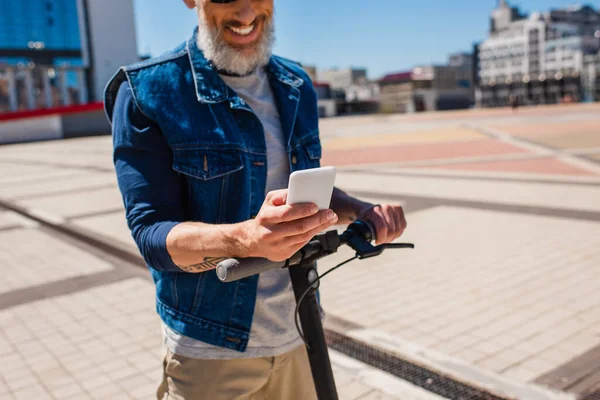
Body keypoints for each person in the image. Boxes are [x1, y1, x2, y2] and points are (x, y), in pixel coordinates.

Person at [104, 0, 407, 399]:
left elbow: (298, 189)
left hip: (300, 330)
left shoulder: (295, 83)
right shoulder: (146, 91)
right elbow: (152, 236)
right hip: (211, 351)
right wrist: (244, 239)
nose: (246, 13)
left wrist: (359, 210)